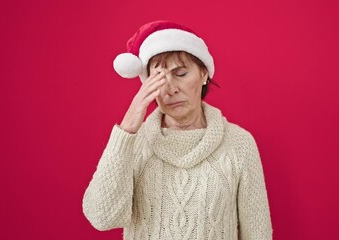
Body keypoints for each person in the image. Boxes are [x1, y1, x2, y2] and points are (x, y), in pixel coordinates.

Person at [82, 20, 273, 240]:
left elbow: (258, 233)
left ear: (203, 74)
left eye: (181, 74)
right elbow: (103, 218)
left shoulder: (239, 144)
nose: (170, 89)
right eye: (159, 78)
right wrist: (126, 131)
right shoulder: (133, 143)